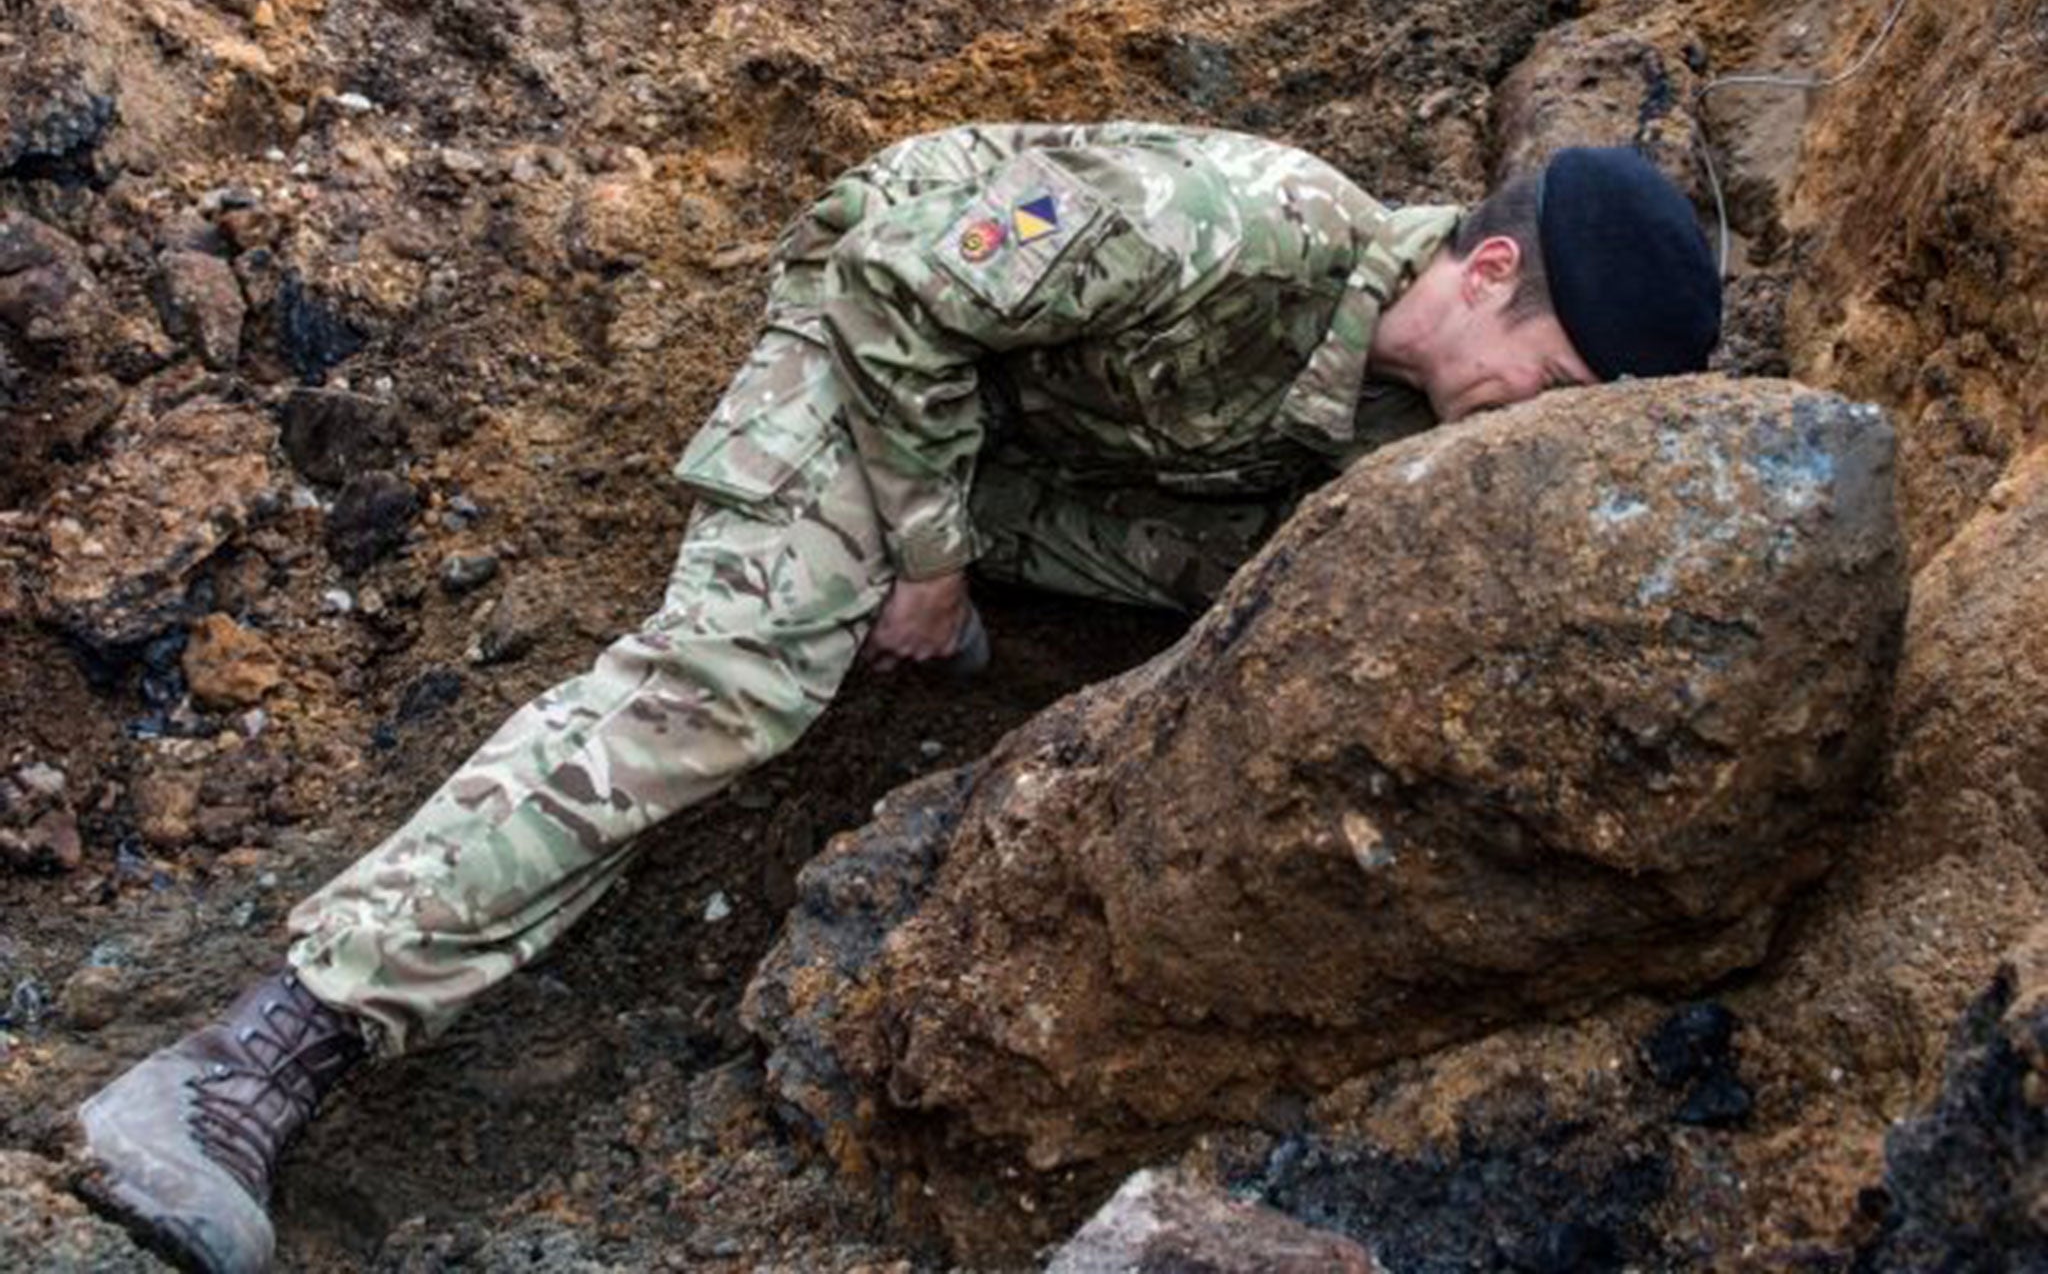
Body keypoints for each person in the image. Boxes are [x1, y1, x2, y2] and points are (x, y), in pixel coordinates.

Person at [74, 122, 1720, 1273]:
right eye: (1553, 382)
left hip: (1041, 434)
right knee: (737, 683)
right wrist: (927, 556)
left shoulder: (1390, 433)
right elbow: (904, 289)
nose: (1522, 432)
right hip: (883, 327)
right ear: (1489, 266)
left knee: (1265, 588)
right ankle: (247, 1061)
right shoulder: (1238, 221)